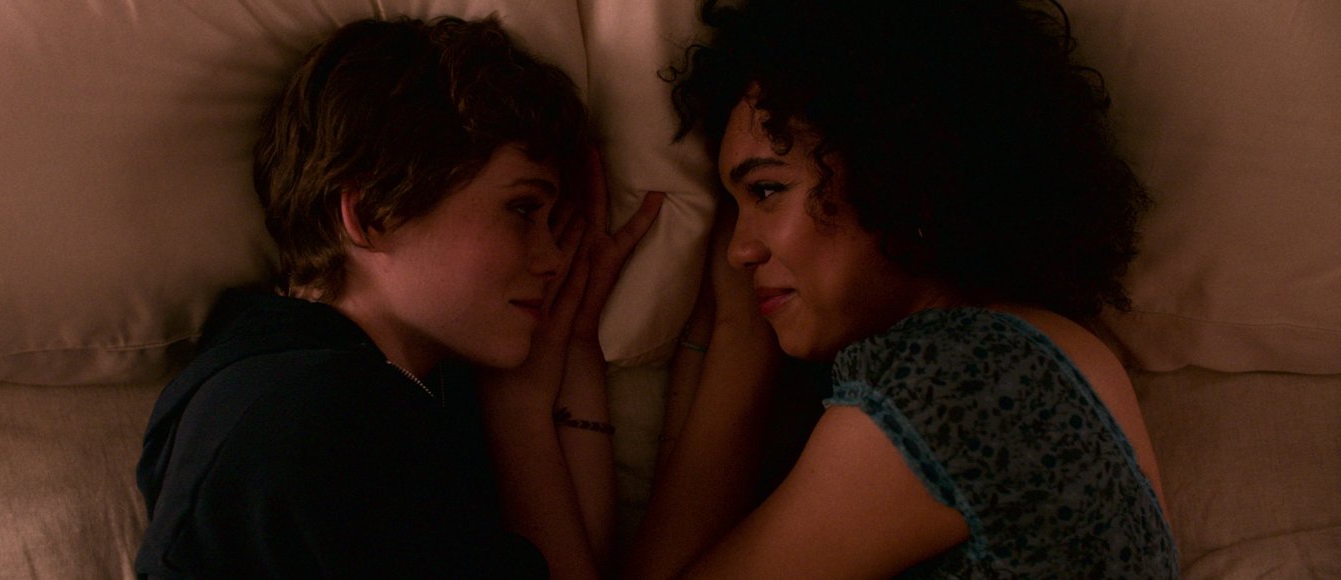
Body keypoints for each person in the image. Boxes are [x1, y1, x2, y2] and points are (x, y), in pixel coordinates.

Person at [625, 0, 1179, 577]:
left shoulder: (963, 377)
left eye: (766, 191)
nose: (739, 250)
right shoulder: (1056, 352)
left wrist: (739, 334)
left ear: (898, 167)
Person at [134, 16, 662, 578]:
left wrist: (559, 360)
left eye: (553, 224)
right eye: (523, 210)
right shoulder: (316, 416)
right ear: (372, 214)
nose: (553, 257)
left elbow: (573, 563)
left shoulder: (391, 385)